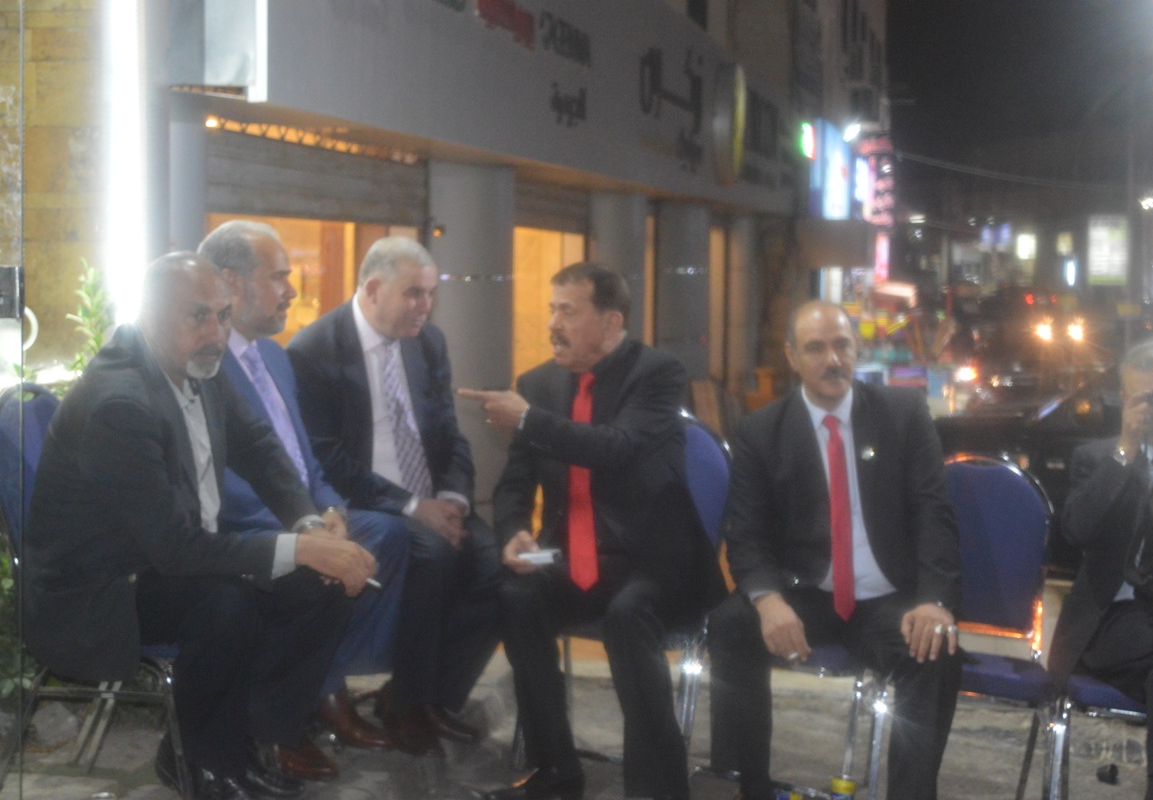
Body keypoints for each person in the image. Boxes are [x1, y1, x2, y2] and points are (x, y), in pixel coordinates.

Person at [22, 253, 377, 800]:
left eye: (224, 315)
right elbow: (177, 550)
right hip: (98, 591)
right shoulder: (119, 404)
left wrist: (309, 526)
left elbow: (260, 448)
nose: (216, 333)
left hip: (164, 560)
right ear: (149, 315)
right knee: (226, 602)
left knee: (318, 589)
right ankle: (203, 764)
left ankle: (240, 742)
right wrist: (302, 548)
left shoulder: (199, 363)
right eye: (197, 316)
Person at [459, 262, 723, 800]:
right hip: (570, 557)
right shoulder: (537, 383)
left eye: (568, 312)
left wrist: (529, 419)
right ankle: (555, 771)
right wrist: (513, 531)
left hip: (652, 560)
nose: (552, 324)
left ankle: (657, 789)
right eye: (551, 310)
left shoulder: (657, 373)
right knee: (516, 596)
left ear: (610, 322)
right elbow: (514, 483)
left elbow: (616, 447)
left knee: (627, 615)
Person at [706, 299, 962, 800]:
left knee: (936, 648)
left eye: (842, 346)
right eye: (816, 349)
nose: (833, 360)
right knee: (732, 624)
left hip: (890, 598)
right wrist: (767, 600)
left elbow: (934, 514)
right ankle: (749, 787)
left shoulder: (904, 414)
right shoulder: (761, 431)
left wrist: (934, 600)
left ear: (856, 349)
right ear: (791, 356)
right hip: (807, 593)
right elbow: (747, 534)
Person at [198, 221, 410, 780]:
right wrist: (306, 534)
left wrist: (330, 511)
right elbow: (222, 485)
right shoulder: (205, 364)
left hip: (303, 512)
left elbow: (304, 462)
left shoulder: (274, 357)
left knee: (393, 537)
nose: (292, 291)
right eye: (278, 278)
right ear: (232, 283)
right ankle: (303, 705)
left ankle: (324, 687)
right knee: (325, 570)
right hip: (247, 526)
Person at [287, 236, 502, 756]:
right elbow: (327, 458)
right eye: (413, 293)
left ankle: (431, 695)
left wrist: (452, 498)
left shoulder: (428, 343)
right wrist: (411, 507)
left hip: (433, 499)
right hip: (366, 504)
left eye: (430, 294)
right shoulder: (314, 350)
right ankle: (410, 701)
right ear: (373, 289)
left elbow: (449, 434)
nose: (424, 306)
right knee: (432, 554)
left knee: (497, 570)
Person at [1049, 338, 1153, 800]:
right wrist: (1127, 449)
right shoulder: (1098, 459)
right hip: (1109, 619)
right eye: (1145, 399)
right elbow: (1076, 531)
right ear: (1123, 398)